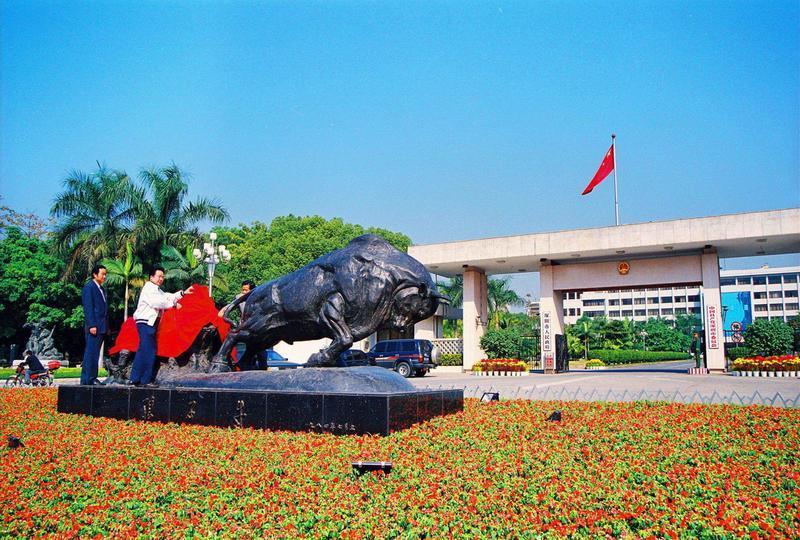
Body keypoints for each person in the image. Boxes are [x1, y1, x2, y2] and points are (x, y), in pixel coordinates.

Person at [129, 266, 192, 387]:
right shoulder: (149, 288)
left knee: (143, 349)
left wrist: (182, 293)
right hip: (146, 322)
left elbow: (167, 296)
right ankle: (145, 380)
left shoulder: (157, 290)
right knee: (150, 350)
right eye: (159, 276)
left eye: (162, 277)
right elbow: (157, 302)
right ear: (151, 277)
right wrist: (174, 304)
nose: (161, 279)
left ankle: (135, 378)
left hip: (149, 323)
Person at [81, 264, 108, 385]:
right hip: (94, 326)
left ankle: (91, 378)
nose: (104, 276)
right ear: (95, 274)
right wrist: (92, 325)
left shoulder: (101, 289)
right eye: (102, 274)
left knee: (95, 353)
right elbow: (88, 307)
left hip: (102, 326)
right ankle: (89, 379)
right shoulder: (89, 287)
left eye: (105, 274)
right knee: (91, 353)